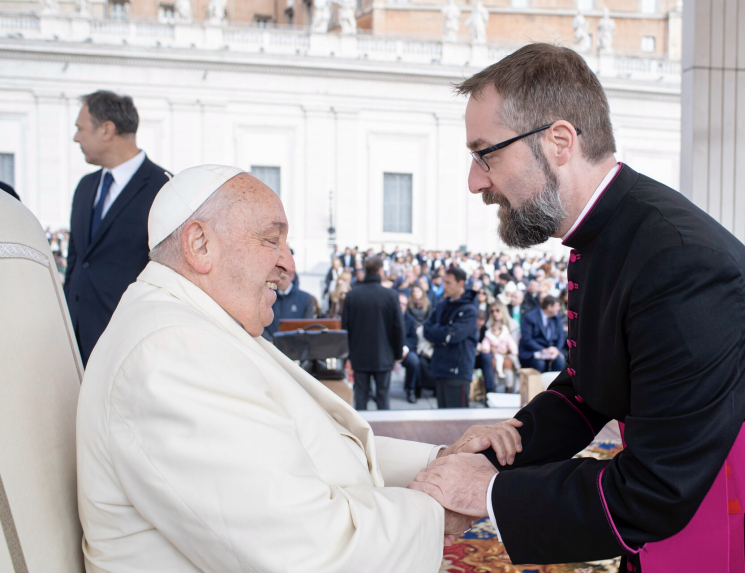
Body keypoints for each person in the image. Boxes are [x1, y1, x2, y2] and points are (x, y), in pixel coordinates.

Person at [409, 43, 745, 572]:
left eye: (487, 153)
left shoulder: (684, 265)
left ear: (559, 141)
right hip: (673, 514)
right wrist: (501, 450)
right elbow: (590, 386)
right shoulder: (609, 231)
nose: (476, 180)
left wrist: (490, 494)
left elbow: (657, 488)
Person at [76, 165, 480, 572]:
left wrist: (441, 460)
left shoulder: (196, 325)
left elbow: (320, 446)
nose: (288, 264)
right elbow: (306, 553)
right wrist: (438, 509)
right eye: (272, 240)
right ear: (199, 244)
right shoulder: (169, 351)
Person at [64, 90, 170, 365]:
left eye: (80, 128)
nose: (76, 137)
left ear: (106, 130)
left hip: (131, 346)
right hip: (75, 344)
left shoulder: (164, 188)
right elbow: (77, 262)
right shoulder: (85, 187)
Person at [341, 256, 404, 410]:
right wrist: (397, 354)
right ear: (380, 271)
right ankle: (385, 431)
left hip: (359, 354)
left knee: (361, 398)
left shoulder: (352, 295)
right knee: (383, 398)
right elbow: (398, 327)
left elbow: (345, 327)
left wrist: (348, 355)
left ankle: (361, 433)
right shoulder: (390, 295)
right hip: (384, 354)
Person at [423, 266, 478, 408]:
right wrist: (442, 333)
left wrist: (440, 333)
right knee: (443, 418)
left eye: (448, 283)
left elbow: (453, 336)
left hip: (457, 371)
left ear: (460, 284)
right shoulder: (442, 305)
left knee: (458, 420)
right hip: (440, 367)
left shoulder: (469, 310)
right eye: (443, 282)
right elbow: (426, 329)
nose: (444, 286)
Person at [518, 295, 566, 373]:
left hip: (551, 351)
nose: (559, 308)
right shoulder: (530, 317)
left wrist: (556, 349)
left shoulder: (556, 317)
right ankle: (539, 385)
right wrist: (543, 350)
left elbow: (561, 336)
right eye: (557, 306)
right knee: (540, 364)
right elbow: (527, 339)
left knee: (559, 362)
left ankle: (557, 385)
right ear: (549, 307)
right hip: (533, 351)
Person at [262, 270, 315, 340]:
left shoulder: (306, 298)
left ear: (292, 277)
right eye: (278, 278)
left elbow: (308, 326)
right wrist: (270, 341)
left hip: (296, 347)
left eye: (283, 278)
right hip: (271, 345)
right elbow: (260, 323)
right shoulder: (267, 297)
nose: (279, 282)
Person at [480, 322, 520, 392]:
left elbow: (512, 345)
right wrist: (487, 349)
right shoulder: (489, 336)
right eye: (493, 330)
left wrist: (511, 351)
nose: (494, 332)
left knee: (511, 361)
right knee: (495, 363)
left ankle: (509, 388)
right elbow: (485, 345)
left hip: (506, 355)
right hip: (495, 355)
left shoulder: (506, 336)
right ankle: (494, 388)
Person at [399, 292, 422, 404]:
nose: (401, 306)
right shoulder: (387, 317)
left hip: (405, 350)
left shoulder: (410, 319)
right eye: (399, 303)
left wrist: (405, 348)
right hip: (389, 351)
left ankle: (411, 390)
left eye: (404, 304)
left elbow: (413, 339)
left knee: (414, 361)